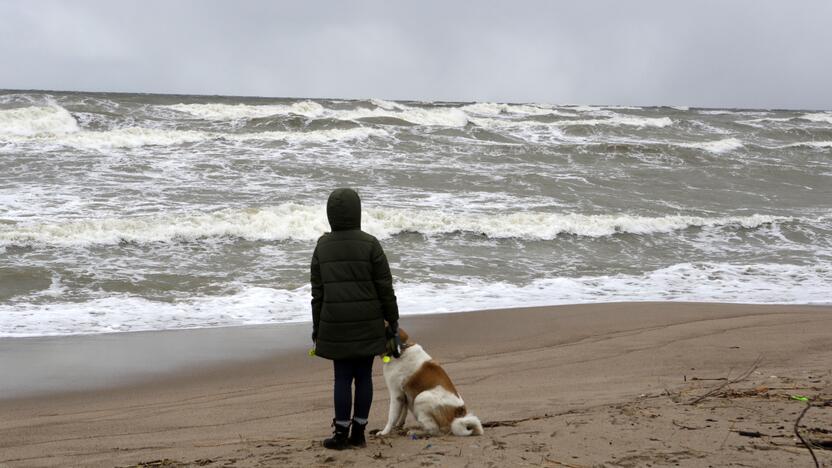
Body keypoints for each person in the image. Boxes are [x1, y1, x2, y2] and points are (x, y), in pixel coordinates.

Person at [310, 188, 399, 450]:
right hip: (368, 322)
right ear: (357, 212)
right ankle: (359, 433)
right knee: (364, 377)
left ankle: (340, 435)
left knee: (341, 378)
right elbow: (385, 288)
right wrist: (392, 322)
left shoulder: (322, 246)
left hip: (335, 323)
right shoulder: (371, 243)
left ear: (331, 214)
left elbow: (318, 294)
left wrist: (318, 327)